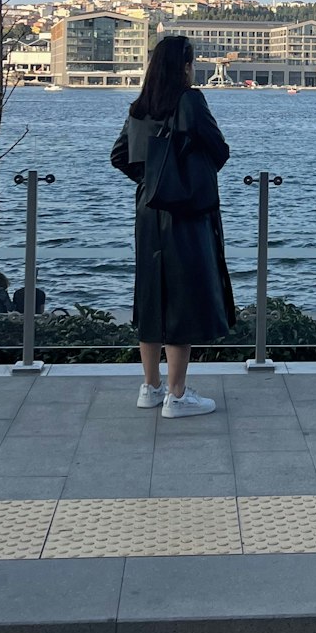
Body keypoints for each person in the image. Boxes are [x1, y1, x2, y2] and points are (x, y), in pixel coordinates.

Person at [110, 35, 235, 418]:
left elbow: (119, 156)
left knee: (151, 293)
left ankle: (150, 386)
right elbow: (220, 150)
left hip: (148, 211)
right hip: (185, 211)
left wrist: (153, 179)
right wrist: (180, 178)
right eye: (191, 62)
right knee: (182, 296)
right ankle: (177, 395)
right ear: (184, 66)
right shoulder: (190, 100)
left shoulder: (139, 106)